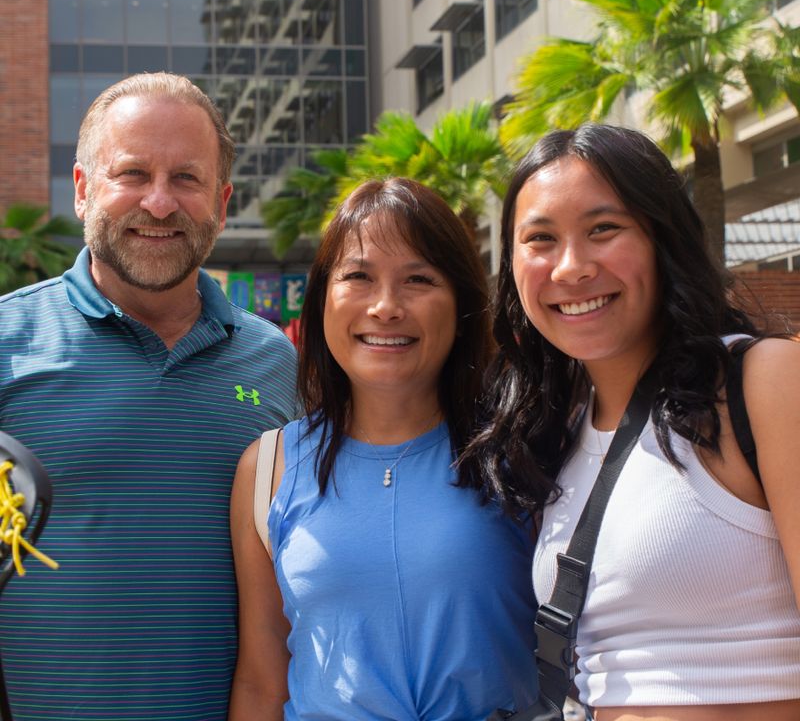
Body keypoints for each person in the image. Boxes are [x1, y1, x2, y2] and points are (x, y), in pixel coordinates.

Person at [463, 123, 800, 721]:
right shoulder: (551, 431)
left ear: (661, 239)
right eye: (540, 239)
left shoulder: (764, 380)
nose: (570, 268)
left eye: (604, 229)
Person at [0, 72, 298, 720]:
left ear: (221, 202)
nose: (159, 203)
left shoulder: (276, 361)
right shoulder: (6, 341)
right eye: (131, 173)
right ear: (83, 191)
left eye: (186, 179)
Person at [229, 177, 539, 721]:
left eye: (419, 278)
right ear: (323, 296)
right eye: (359, 277)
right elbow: (261, 678)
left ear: (462, 303)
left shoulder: (521, 449)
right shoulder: (267, 469)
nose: (386, 307)